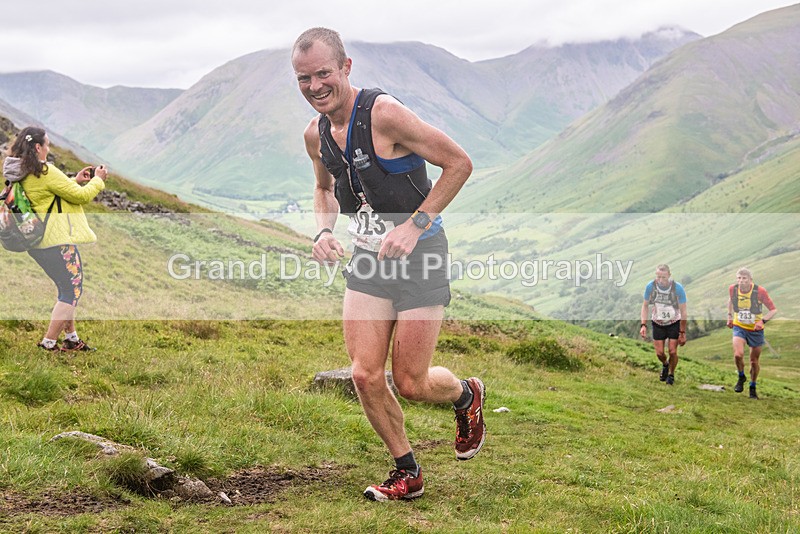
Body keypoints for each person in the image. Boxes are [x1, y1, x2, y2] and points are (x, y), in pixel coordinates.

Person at [292, 27, 485, 501]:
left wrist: (414, 224)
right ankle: (407, 471)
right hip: (368, 259)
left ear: (346, 68)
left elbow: (459, 163)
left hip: (421, 256)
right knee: (363, 373)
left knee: (412, 382)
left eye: (323, 74)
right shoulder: (315, 135)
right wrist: (322, 231)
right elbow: (323, 189)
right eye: (303, 78)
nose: (315, 86)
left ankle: (465, 394)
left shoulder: (384, 114)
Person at [3, 127, 107, 351]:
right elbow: (80, 196)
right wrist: (97, 181)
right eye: (47, 144)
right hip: (57, 242)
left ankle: (71, 338)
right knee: (71, 291)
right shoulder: (45, 171)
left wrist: (74, 180)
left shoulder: (20, 171)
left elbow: (47, 194)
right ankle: (48, 343)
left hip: (35, 242)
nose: (49, 149)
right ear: (38, 147)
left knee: (65, 288)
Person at [727, 268, 777, 400]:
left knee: (754, 361)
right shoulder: (733, 289)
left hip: (756, 330)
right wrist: (729, 316)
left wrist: (762, 321)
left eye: (744, 278)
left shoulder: (760, 291)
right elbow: (731, 301)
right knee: (738, 354)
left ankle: (752, 386)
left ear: (750, 280)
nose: (741, 281)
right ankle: (741, 376)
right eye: (739, 278)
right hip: (739, 327)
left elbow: (773, 310)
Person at [640, 264, 687, 385]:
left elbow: (683, 311)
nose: (660, 280)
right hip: (658, 322)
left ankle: (671, 374)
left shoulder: (678, 288)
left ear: (669, 276)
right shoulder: (651, 286)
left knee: (672, 351)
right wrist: (643, 325)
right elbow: (645, 306)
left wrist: (682, 332)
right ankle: (665, 365)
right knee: (660, 353)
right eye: (658, 277)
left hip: (673, 322)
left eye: (663, 277)